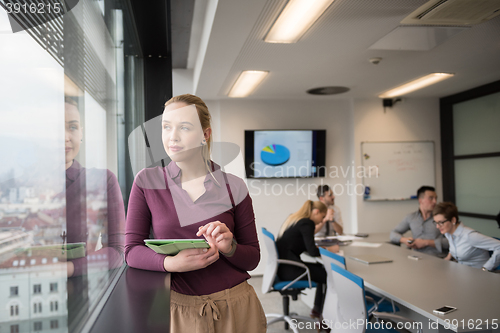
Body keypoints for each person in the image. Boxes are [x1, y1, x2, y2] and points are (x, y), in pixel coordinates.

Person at [125, 94, 266, 333]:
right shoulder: (146, 181)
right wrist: (170, 263)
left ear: (205, 134)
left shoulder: (234, 186)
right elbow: (131, 251)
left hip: (237, 306)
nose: (173, 136)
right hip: (176, 310)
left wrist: (229, 247)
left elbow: (252, 259)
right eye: (167, 127)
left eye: (185, 127)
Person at [276, 200, 339, 320]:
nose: (321, 221)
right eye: (322, 217)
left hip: (283, 268)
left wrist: (320, 247)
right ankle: (327, 316)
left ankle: (317, 309)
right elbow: (313, 252)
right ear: (316, 212)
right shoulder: (307, 223)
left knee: (321, 269)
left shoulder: (294, 219)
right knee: (328, 274)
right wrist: (330, 249)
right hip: (291, 270)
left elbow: (304, 244)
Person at [433, 202, 500, 272]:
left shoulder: (470, 236)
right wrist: (446, 259)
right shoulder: (448, 233)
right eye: (436, 222)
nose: (437, 226)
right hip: (462, 273)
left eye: (441, 222)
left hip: (478, 276)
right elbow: (455, 247)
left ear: (453, 220)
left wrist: (485, 268)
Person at [390, 186, 448, 257]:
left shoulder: (441, 218)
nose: (435, 201)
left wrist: (426, 242)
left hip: (438, 258)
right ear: (420, 200)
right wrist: (405, 240)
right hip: (416, 258)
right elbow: (393, 234)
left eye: (436, 198)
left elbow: (452, 241)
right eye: (431, 198)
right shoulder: (411, 217)